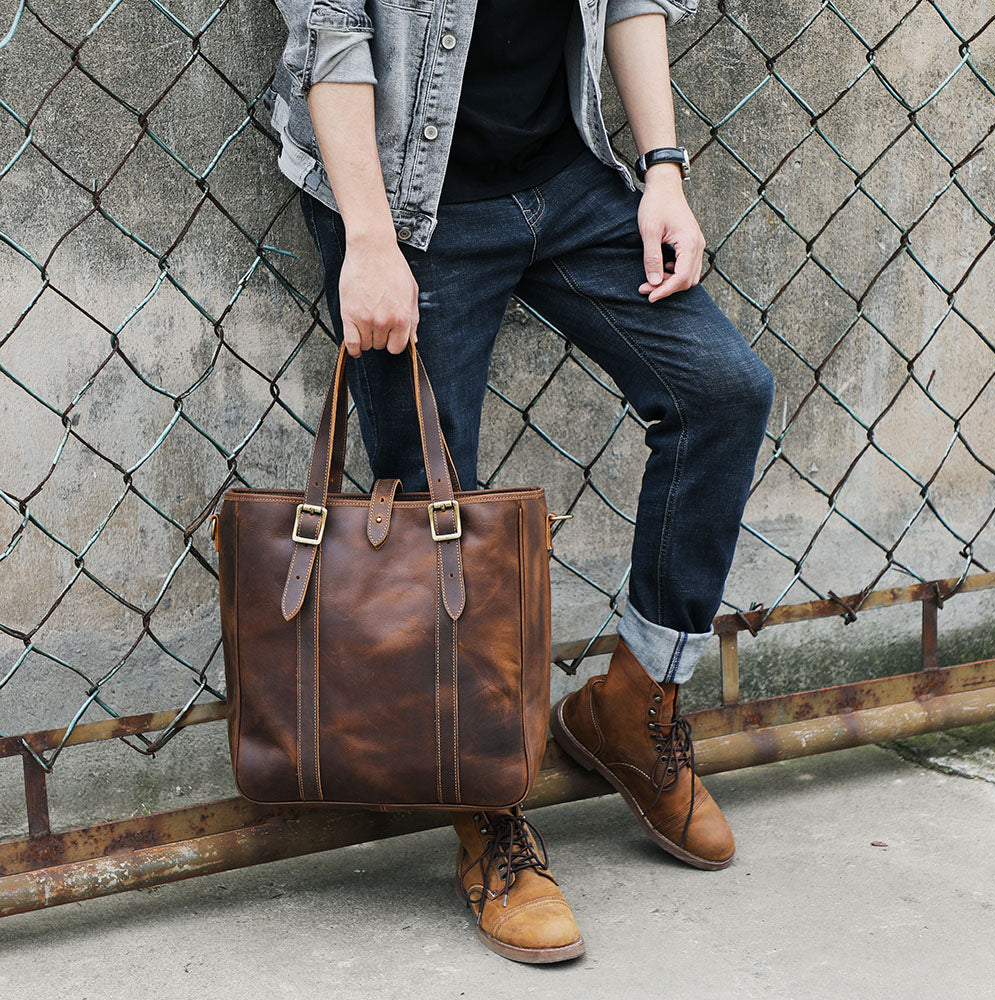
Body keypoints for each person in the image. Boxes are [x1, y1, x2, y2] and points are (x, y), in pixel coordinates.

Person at [263, 0, 773, 965]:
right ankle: (485, 805)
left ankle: (636, 705)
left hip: (567, 175)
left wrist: (663, 169)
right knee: (426, 499)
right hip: (409, 203)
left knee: (723, 393)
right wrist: (370, 239)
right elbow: (329, 32)